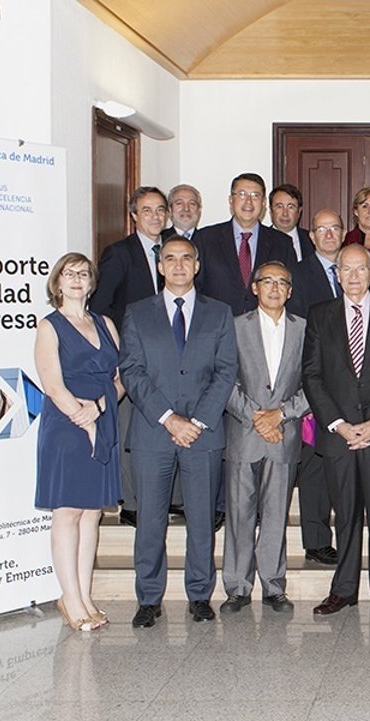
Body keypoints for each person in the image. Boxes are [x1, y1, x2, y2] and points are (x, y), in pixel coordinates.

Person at [119, 236, 238, 628]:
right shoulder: (138, 313)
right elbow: (132, 371)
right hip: (154, 432)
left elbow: (226, 372)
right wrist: (169, 418)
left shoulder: (219, 313)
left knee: (201, 520)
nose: (179, 265)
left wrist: (196, 422)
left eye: (186, 258)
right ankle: (148, 598)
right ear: (160, 266)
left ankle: (200, 595)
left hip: (203, 434)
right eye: (170, 258)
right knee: (150, 522)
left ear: (197, 265)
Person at [303, 245, 370, 617]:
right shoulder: (320, 315)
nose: (353, 276)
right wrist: (339, 425)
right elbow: (312, 375)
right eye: (346, 269)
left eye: (360, 268)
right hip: (340, 436)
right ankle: (344, 589)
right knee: (346, 516)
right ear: (337, 275)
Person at [35, 252, 123, 631]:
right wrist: (83, 419)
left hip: (102, 418)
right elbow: (52, 385)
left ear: (91, 282)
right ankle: (69, 599)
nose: (76, 279)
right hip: (65, 427)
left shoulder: (105, 324)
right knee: (68, 512)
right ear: (57, 283)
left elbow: (121, 378)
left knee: (92, 514)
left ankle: (85, 596)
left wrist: (99, 409)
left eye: (83, 274)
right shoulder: (49, 326)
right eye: (68, 274)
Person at [220, 261, 309, 615]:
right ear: (255, 287)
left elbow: (315, 381)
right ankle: (237, 587)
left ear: (290, 291)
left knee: (275, 514)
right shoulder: (234, 326)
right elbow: (223, 378)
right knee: (239, 514)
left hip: (284, 433)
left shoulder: (304, 329)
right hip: (244, 432)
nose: (274, 288)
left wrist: (281, 414)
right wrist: (257, 417)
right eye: (267, 281)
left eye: (281, 283)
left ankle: (273, 585)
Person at [88, 186, 170, 528]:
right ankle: (132, 503)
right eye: (146, 210)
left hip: (170, 360)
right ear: (134, 216)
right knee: (130, 432)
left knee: (164, 427)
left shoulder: (175, 250)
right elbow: (100, 307)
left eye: (160, 209)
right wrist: (120, 351)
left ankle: (170, 498)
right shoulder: (119, 253)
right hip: (131, 360)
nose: (155, 216)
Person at [286, 208, 346, 566]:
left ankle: (350, 534)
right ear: (311, 236)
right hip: (312, 381)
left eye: (334, 228)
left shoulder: (356, 267)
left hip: (354, 385)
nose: (328, 234)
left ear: (344, 232)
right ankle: (317, 539)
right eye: (321, 229)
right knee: (315, 464)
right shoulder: (296, 274)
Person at [193, 172, 296, 316]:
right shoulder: (206, 238)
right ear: (231, 200)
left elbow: (291, 290)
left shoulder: (282, 243)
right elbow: (195, 288)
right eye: (242, 194)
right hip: (217, 324)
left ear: (263, 202)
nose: (248, 202)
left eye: (255, 196)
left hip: (264, 326)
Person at [269, 183, 316, 263]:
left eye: (291, 207)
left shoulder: (312, 241)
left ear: (299, 211)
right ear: (271, 210)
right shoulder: (260, 241)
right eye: (279, 206)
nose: (285, 213)